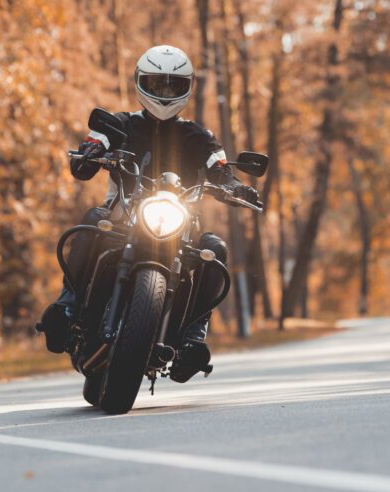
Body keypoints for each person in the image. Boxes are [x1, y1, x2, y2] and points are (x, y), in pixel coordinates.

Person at [38, 45, 260, 381]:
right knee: (91, 220)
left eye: (174, 86)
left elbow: (221, 168)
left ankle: (192, 338)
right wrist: (89, 152)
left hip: (178, 224)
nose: (165, 94)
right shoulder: (120, 124)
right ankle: (67, 306)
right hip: (122, 216)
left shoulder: (199, 137)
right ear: (141, 83)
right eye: (158, 85)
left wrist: (236, 187)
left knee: (215, 249)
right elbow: (91, 148)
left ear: (188, 87)